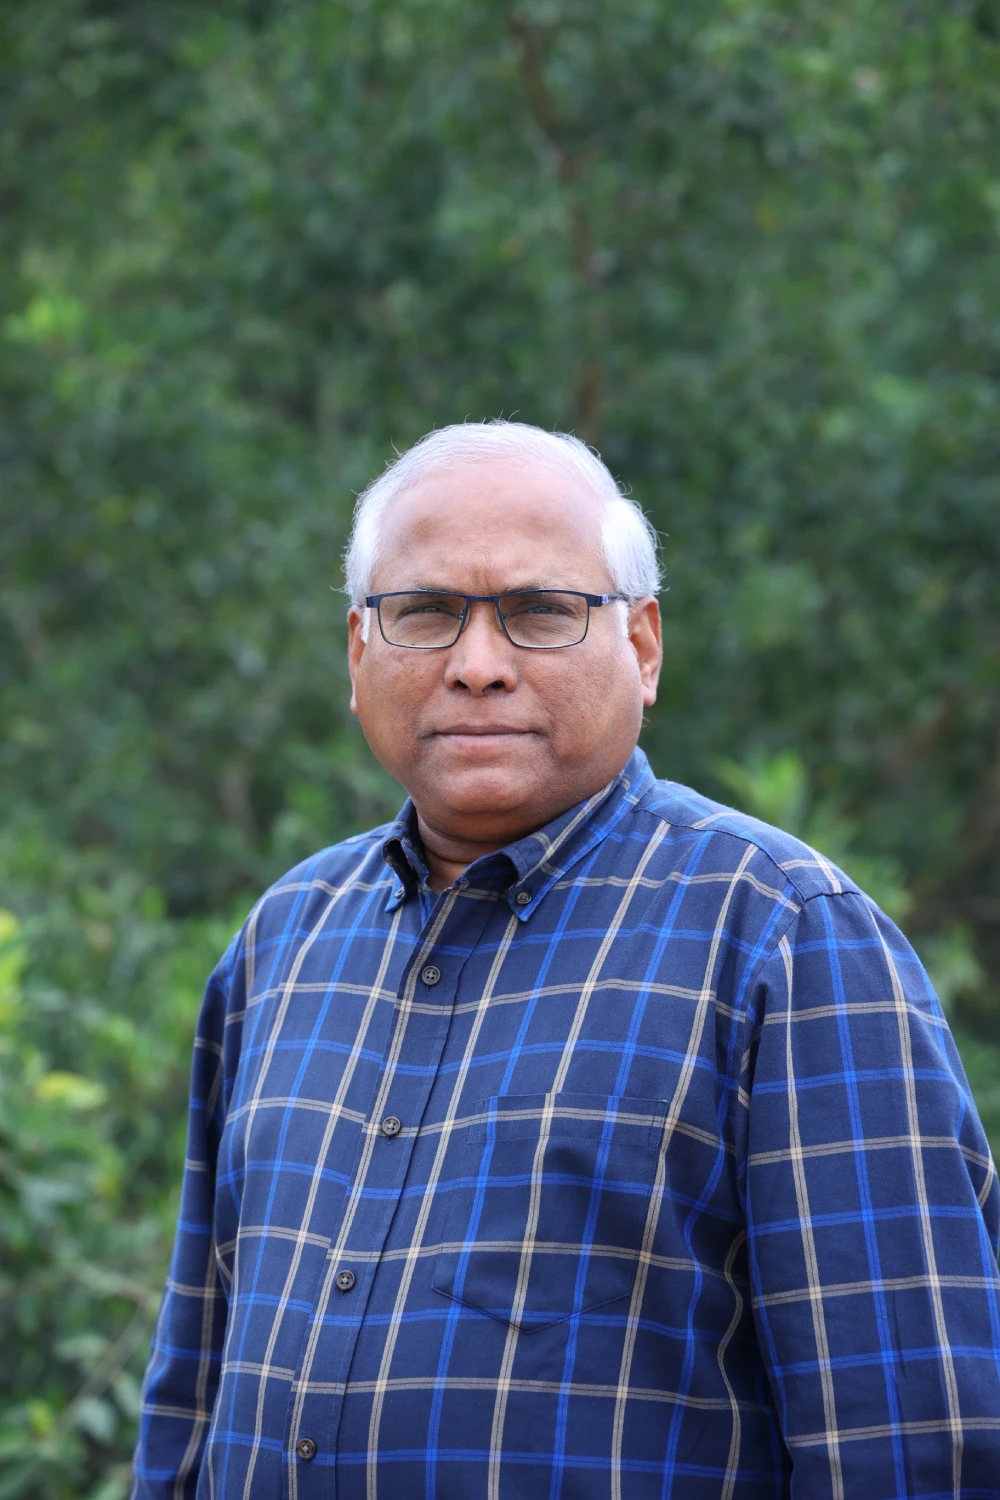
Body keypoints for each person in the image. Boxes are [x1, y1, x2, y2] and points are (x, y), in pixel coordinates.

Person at [132, 420, 1000, 1500]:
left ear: (642, 645)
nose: (477, 666)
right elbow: (193, 1392)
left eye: (541, 613)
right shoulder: (286, 940)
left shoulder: (784, 940)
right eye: (424, 613)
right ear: (359, 654)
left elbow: (912, 1446)